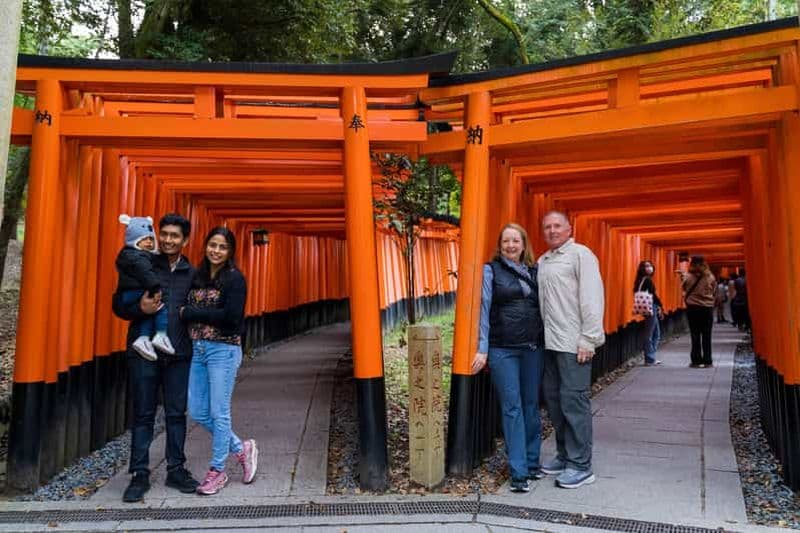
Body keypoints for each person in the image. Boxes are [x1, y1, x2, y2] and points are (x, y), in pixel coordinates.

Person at [112, 213, 199, 503]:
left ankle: (176, 469)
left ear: (185, 240)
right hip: (144, 352)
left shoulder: (192, 273)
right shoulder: (143, 261)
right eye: (165, 234)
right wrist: (141, 308)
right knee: (143, 414)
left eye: (175, 236)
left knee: (176, 413)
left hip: (179, 352)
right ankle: (139, 473)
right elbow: (118, 303)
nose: (168, 240)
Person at [180, 227, 258, 495]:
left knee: (219, 412)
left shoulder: (235, 279)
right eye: (212, 245)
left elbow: (231, 318)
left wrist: (192, 312)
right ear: (205, 246)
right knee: (198, 411)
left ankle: (217, 471)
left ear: (230, 251)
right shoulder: (197, 276)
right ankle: (241, 448)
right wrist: (197, 313)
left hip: (223, 350)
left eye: (222, 247)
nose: (216, 250)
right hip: (198, 348)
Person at [471, 223, 545, 493]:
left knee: (531, 406)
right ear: (500, 246)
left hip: (532, 348)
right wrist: (482, 348)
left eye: (516, 241)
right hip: (503, 349)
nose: (511, 245)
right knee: (512, 407)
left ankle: (533, 463)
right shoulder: (491, 271)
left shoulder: (536, 272)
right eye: (506, 241)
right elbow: (483, 309)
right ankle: (518, 471)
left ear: (524, 245)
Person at [537, 211, 605, 489]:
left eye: (557, 226)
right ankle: (565, 454)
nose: (552, 231)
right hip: (549, 343)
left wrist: (589, 339)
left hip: (573, 343)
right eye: (547, 227)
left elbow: (592, 298)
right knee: (555, 401)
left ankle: (581, 465)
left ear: (569, 229)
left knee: (574, 402)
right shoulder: (543, 260)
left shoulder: (581, 255)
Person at [116, 214, 176, 361]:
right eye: (144, 239)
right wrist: (154, 288)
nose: (149, 242)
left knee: (151, 312)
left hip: (133, 292)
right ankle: (160, 335)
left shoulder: (136, 256)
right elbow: (118, 305)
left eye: (150, 239)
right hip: (134, 293)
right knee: (159, 306)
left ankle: (144, 338)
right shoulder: (139, 257)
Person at [680, 255, 717, 368]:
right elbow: (714, 291)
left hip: (693, 308)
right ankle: (708, 361)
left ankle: (696, 361)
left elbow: (684, 288)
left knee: (695, 334)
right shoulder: (710, 277)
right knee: (707, 335)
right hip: (707, 308)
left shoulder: (688, 277)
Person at [633, 260, 663, 366]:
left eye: (650, 265)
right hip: (651, 307)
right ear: (642, 268)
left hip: (647, 307)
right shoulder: (648, 280)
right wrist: (660, 305)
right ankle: (649, 358)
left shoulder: (639, 280)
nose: (649, 268)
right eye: (646, 266)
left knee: (656, 333)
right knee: (649, 334)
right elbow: (653, 295)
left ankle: (651, 356)